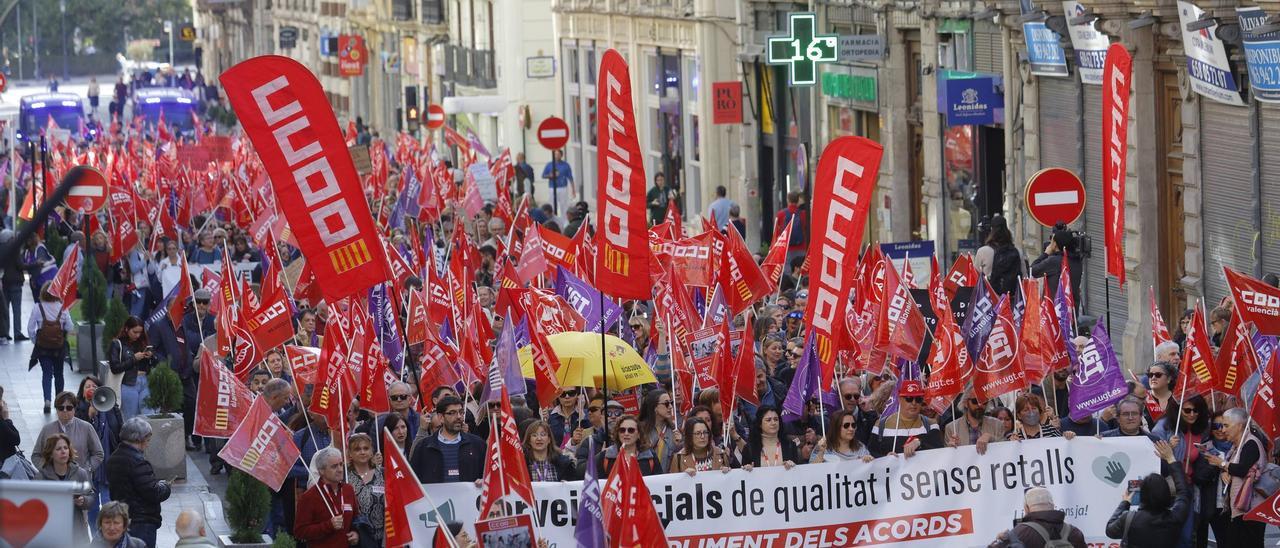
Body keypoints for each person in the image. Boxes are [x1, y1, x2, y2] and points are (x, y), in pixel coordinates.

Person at [1105, 440, 1187, 547]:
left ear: (1143, 494)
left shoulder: (1129, 519)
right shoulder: (1176, 516)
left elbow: (1109, 530)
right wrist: (1171, 458)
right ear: (1167, 494)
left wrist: (1124, 503)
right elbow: (1183, 492)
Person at [105, 417, 171, 547]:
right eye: (147, 439)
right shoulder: (138, 462)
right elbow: (153, 492)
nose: (147, 443)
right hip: (142, 521)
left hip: (124, 517)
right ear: (139, 439)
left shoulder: (114, 457)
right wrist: (166, 486)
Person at [1208, 408, 1267, 546]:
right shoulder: (1237, 447)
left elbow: (1242, 469)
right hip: (1240, 509)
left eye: (1226, 425)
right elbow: (1236, 468)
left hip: (1250, 509)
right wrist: (1226, 470)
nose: (1222, 430)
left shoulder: (1251, 443)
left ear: (1240, 426)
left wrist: (1221, 463)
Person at [409, 396, 486, 483]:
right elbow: (413, 481)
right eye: (452, 413)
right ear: (441, 417)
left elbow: (490, 476)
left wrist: (484, 481)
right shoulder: (424, 446)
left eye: (461, 412)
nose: (459, 417)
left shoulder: (478, 445)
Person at [36, 433, 95, 544]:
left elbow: (91, 496)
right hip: (52, 532)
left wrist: (83, 500)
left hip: (76, 531)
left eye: (65, 448)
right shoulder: (41, 477)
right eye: (58, 449)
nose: (63, 451)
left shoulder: (80, 473)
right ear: (51, 454)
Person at [295, 447, 359, 547]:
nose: (340, 469)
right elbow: (300, 532)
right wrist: (328, 525)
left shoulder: (348, 490)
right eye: (334, 466)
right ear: (321, 471)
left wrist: (355, 532)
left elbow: (356, 518)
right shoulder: (308, 497)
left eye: (341, 464)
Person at [32, 391, 105, 475]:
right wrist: (46, 470)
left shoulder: (86, 427)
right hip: (54, 482)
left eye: (69, 408)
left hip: (79, 481)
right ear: (56, 409)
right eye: (61, 408)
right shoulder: (47, 429)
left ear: (74, 409)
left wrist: (86, 469)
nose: (65, 410)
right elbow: (36, 455)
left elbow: (98, 453)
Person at [29, 282, 74, 413]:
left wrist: (35, 340)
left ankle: (47, 400)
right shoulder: (62, 307)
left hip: (43, 347)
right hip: (58, 348)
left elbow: (30, 328)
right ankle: (59, 401)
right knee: (59, 374)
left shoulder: (38, 307)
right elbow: (70, 327)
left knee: (46, 374)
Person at [989, 487, 1086, 548]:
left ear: (1026, 508)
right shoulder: (1074, 533)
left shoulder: (1017, 535)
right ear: (1052, 505)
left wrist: (999, 541)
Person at [868, 381, 945, 457]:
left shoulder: (931, 424)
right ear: (899, 399)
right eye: (909, 399)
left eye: (918, 399)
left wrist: (919, 443)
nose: (914, 403)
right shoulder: (881, 425)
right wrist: (885, 458)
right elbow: (872, 454)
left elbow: (939, 452)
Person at [109, 316, 158, 419]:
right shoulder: (117, 344)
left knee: (149, 414)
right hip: (128, 383)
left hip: (145, 381)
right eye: (135, 332)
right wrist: (134, 359)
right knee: (131, 417)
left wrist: (151, 356)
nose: (137, 335)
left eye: (140, 332)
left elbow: (153, 363)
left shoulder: (142, 342)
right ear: (127, 329)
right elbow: (115, 368)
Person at [346, 433, 385, 545]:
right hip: (355, 538)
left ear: (372, 451)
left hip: (381, 538)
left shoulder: (383, 473)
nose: (362, 452)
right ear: (350, 454)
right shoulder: (344, 476)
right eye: (357, 449)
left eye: (366, 448)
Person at [1029, 224, 1084, 300]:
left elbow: (1033, 270)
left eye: (1052, 241)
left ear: (1055, 244)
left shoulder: (1054, 261)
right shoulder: (1077, 260)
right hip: (1072, 308)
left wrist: (1045, 254)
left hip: (1056, 308)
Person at [596, 414, 661, 476]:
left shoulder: (650, 457)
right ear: (618, 434)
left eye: (631, 430)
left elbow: (659, 482)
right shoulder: (605, 456)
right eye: (622, 430)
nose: (626, 433)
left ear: (638, 434)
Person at [977, 215, 1024, 295]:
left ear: (991, 230)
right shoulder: (1018, 251)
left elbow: (976, 276)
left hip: (990, 300)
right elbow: (1024, 277)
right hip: (1012, 300)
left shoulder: (983, 251)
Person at [740, 406, 797, 470]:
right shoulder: (749, 448)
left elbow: (799, 475)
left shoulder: (790, 446)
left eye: (776, 419)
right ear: (760, 424)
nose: (773, 423)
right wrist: (747, 470)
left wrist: (793, 467)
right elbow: (743, 476)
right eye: (768, 420)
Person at [638, 389, 678, 471]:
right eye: (666, 404)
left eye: (671, 403)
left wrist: (679, 445)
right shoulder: (639, 430)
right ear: (654, 407)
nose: (670, 407)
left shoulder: (674, 429)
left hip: (668, 480)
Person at [772, 191, 808, 267]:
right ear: (798, 200)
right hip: (801, 246)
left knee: (787, 270)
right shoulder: (803, 214)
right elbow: (806, 230)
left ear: (788, 200)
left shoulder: (781, 214)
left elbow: (777, 232)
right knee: (800, 270)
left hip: (785, 248)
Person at [541, 149, 575, 216]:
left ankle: (565, 221)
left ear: (561, 155)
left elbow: (570, 177)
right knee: (552, 204)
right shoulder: (549, 165)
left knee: (564, 205)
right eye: (555, 154)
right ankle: (553, 219)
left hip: (563, 187)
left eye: (558, 154)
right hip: (552, 187)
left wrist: (573, 190)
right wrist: (550, 175)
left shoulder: (566, 165)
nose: (557, 156)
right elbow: (543, 175)